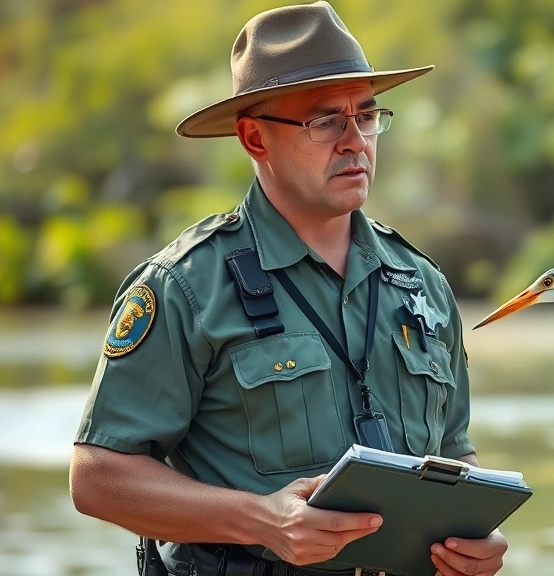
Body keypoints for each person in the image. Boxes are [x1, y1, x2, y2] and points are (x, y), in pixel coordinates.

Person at [68, 2, 508, 575]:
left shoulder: (420, 283)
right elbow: (98, 477)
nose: (355, 142)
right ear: (254, 139)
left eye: (367, 116)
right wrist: (262, 520)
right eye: (325, 121)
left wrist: (476, 540)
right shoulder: (186, 286)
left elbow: (454, 454)